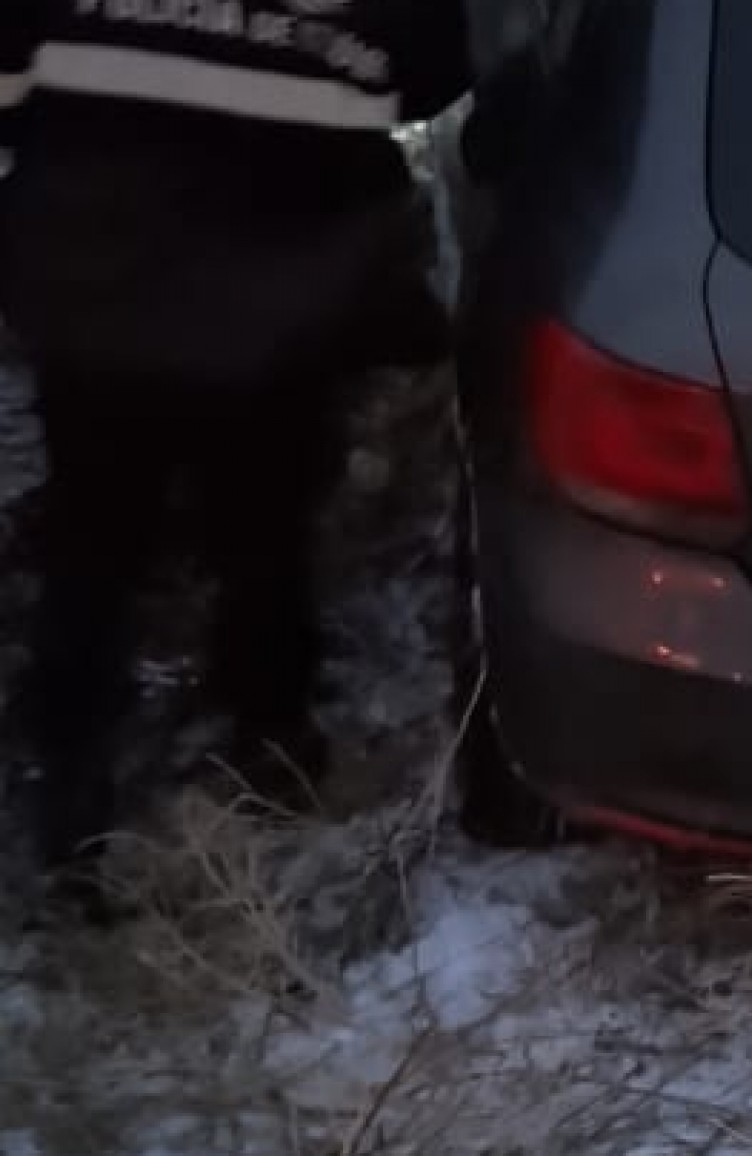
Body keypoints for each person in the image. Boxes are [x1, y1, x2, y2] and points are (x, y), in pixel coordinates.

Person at [0, 1, 476, 899]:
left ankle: (66, 794)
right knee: (265, 532)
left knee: (92, 541)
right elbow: (431, 80)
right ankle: (271, 746)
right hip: (279, 311)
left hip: (94, 297)